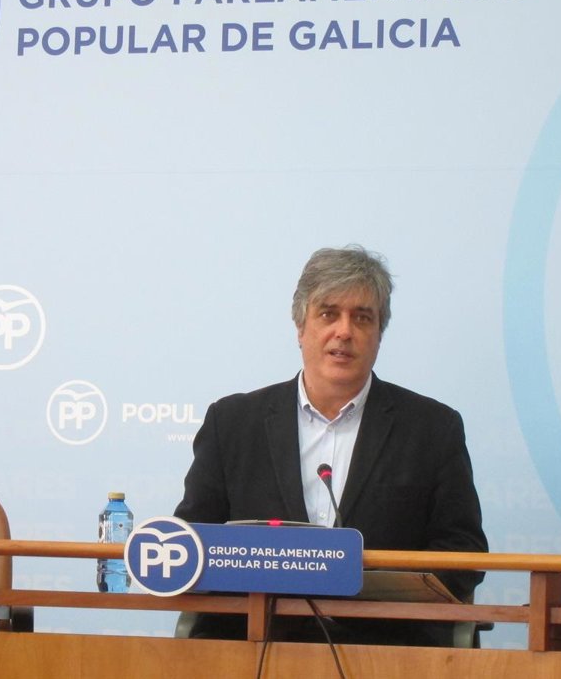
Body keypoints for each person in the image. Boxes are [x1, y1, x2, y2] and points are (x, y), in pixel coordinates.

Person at [174, 245, 487, 646]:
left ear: (379, 334)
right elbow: (192, 541)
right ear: (300, 327)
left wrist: (374, 588)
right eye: (328, 314)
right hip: (254, 640)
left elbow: (463, 553)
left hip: (385, 647)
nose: (344, 331)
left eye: (362, 317)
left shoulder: (432, 428)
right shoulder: (233, 422)